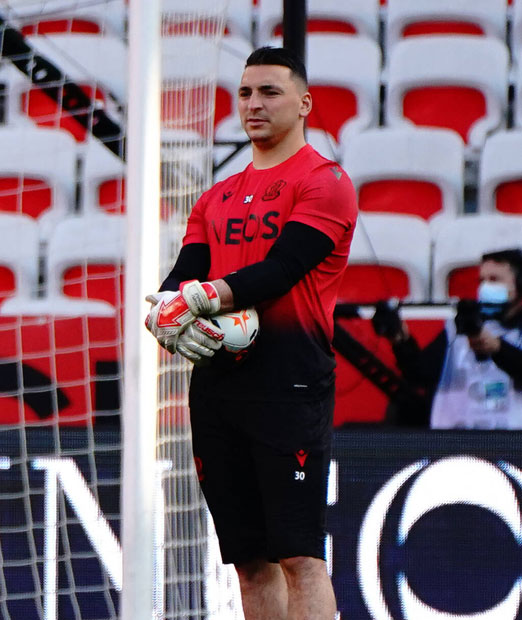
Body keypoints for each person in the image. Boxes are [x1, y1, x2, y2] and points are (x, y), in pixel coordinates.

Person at [145, 47, 357, 620]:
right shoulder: (214, 197)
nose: (253, 104)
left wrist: (201, 298)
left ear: (305, 103)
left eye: (269, 92)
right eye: (244, 93)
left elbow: (282, 269)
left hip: (288, 385)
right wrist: (162, 317)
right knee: (248, 561)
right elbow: (180, 277)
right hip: (216, 388)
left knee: (300, 558)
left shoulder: (326, 181)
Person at [373, 249, 522, 428]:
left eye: (494, 280)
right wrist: (400, 339)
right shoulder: (456, 329)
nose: (485, 287)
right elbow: (420, 373)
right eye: (482, 281)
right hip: (454, 443)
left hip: (512, 444)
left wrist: (497, 348)